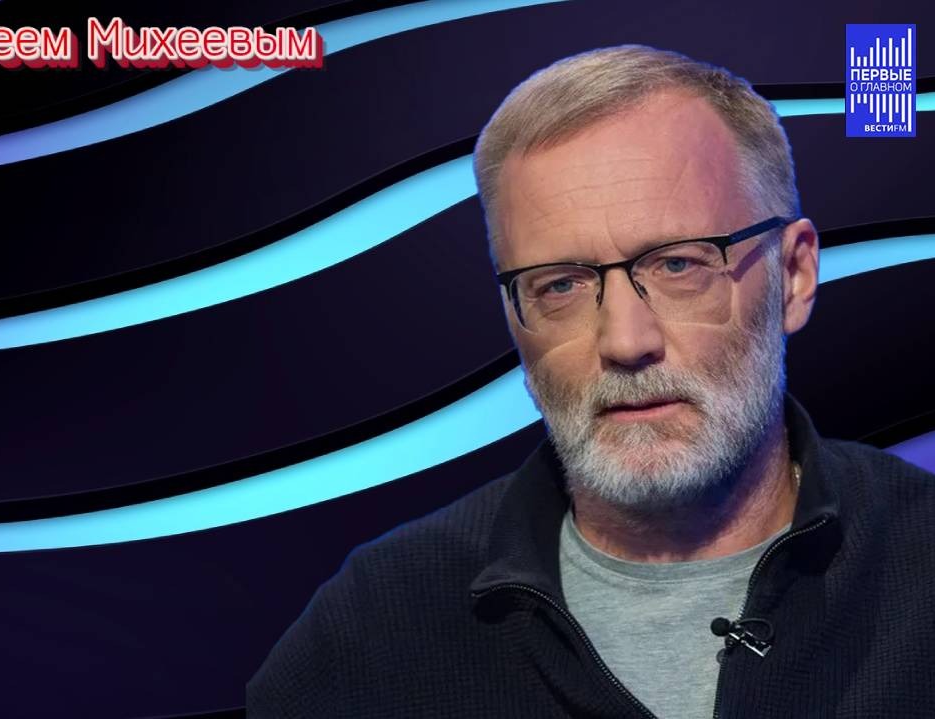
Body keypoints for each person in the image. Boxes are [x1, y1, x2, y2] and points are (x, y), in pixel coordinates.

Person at [246, 45, 935, 718]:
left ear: (794, 276)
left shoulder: (921, 563)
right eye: (561, 285)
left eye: (678, 265)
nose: (626, 342)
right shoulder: (372, 630)